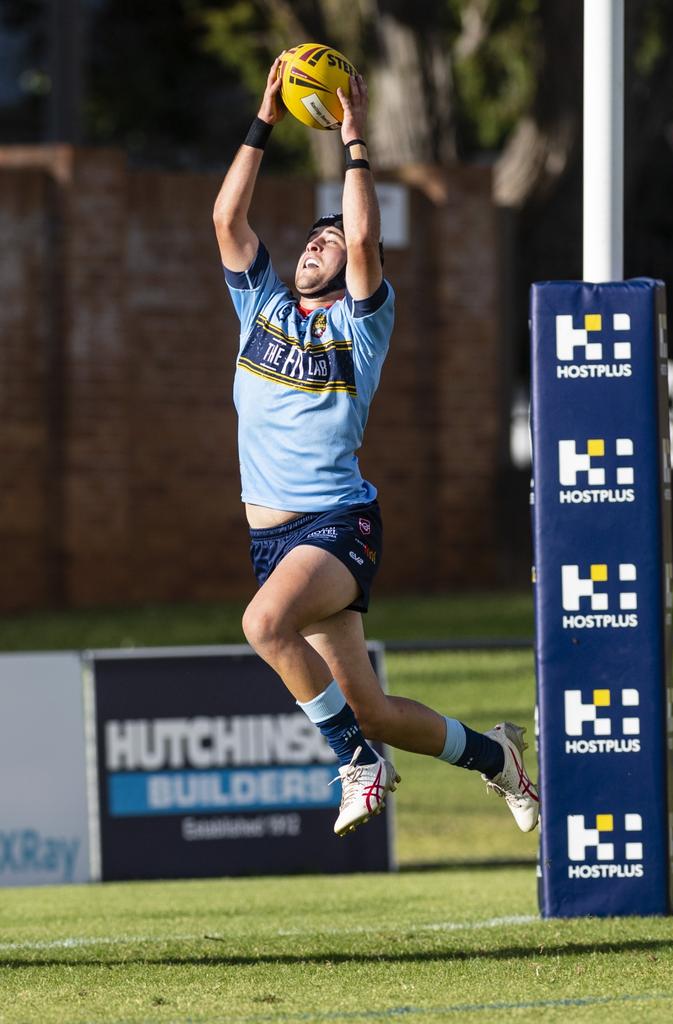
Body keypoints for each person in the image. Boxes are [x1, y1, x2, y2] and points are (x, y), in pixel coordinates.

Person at [212, 57, 539, 838]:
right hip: (274, 541)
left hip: (335, 527)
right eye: (312, 240)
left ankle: (355, 763)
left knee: (265, 628)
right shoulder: (261, 305)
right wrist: (264, 118)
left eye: (330, 242)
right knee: (375, 709)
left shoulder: (361, 326)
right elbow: (228, 221)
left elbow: (362, 233)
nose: (317, 246)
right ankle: (498, 761)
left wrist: (354, 138)